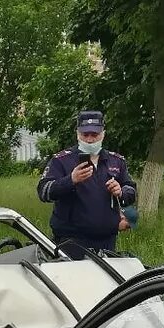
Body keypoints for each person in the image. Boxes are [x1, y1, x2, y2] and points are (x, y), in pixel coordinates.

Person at [37, 110, 138, 259]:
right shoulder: (61, 160)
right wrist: (70, 180)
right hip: (71, 243)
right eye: (85, 135)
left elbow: (131, 191)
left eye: (94, 135)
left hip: (107, 242)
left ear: (103, 134)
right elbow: (43, 192)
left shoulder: (116, 161)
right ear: (78, 134)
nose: (90, 140)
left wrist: (121, 191)